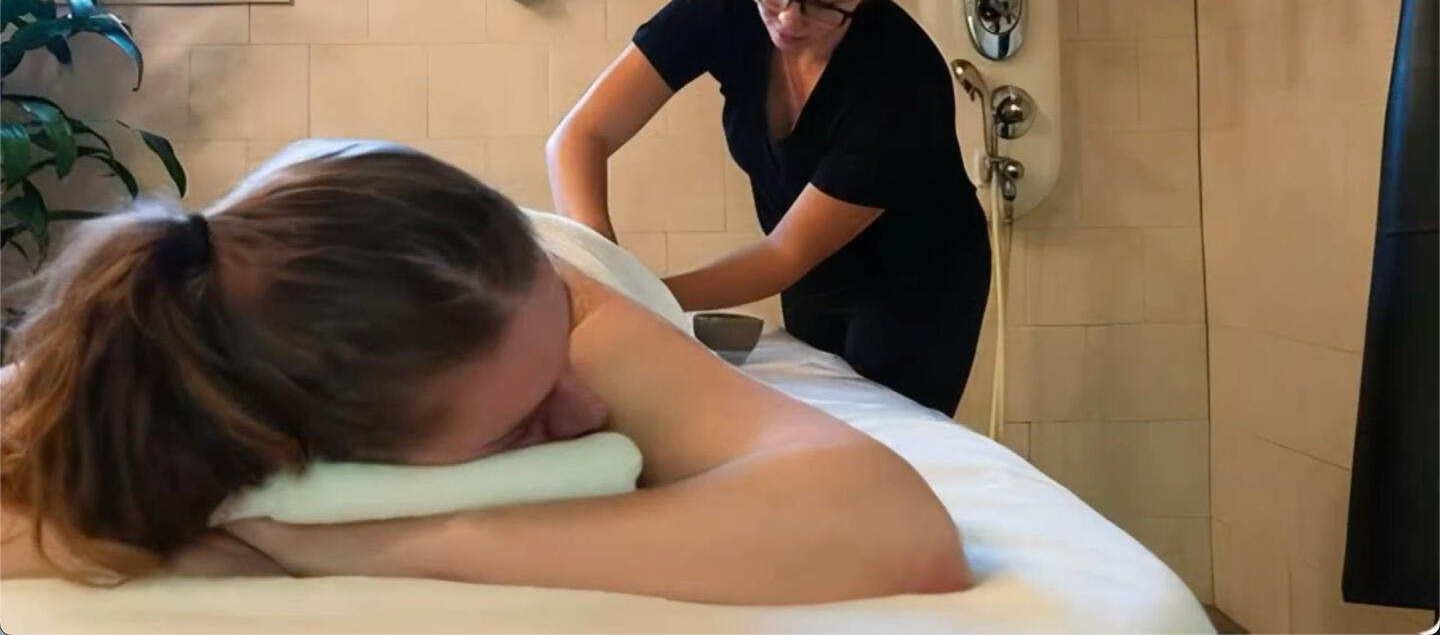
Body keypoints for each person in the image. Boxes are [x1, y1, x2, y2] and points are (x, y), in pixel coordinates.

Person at [0, 141, 971, 604]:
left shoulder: (565, 314)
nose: (589, 412)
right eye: (524, 422)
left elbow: (896, 532)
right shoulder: (159, 366)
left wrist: (372, 544)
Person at [546, 0, 991, 416]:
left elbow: (785, 254)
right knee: (812, 426)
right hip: (814, 278)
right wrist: (603, 270)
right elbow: (580, 136)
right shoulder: (725, 7)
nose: (787, 19)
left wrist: (641, 297)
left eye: (823, 4)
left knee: (884, 436)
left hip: (917, 282)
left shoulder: (902, 79)